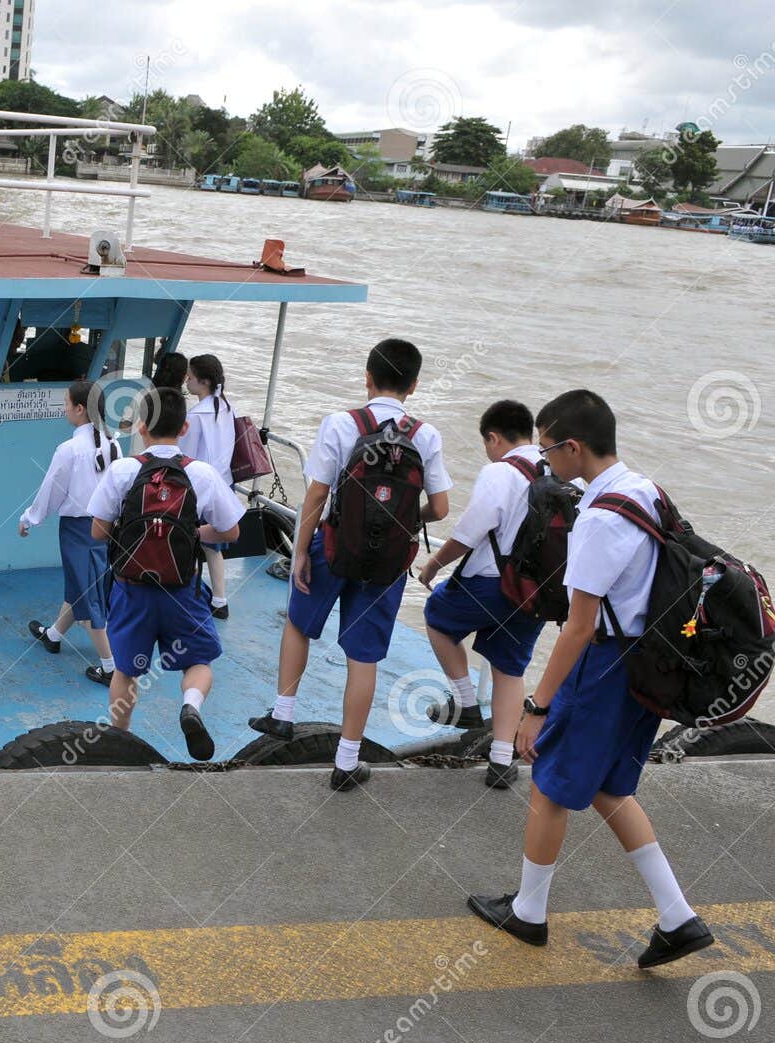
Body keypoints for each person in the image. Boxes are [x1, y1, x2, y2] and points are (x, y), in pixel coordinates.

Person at [468, 389, 714, 967]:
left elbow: (578, 628)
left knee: (550, 784)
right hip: (648, 662)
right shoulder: (644, 489)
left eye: (549, 449)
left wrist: (537, 706)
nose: (545, 461)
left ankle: (528, 913)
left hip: (602, 667)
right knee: (609, 788)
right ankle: (678, 917)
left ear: (573, 447)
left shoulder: (600, 520)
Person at [249, 338, 452, 791]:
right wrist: (400, 519)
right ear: (413, 385)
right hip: (388, 563)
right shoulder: (427, 435)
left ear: (366, 377)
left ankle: (283, 715)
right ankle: (346, 761)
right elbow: (439, 508)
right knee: (363, 657)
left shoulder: (342, 424)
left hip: (335, 545)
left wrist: (301, 550)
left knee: (299, 625)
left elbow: (318, 496)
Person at [87, 386, 242, 759]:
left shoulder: (124, 470)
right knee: (197, 663)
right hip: (182, 590)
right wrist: (194, 532)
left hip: (132, 590)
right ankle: (190, 706)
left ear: (141, 427)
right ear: (185, 427)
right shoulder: (201, 474)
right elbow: (232, 531)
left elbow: (97, 531)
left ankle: (117, 743)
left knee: (126, 671)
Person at [415, 400, 548, 789]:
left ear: (494, 437)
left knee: (437, 617)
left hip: (491, 583)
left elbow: (472, 529)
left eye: (486, 443)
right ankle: (502, 761)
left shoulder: (500, 471)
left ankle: (467, 703)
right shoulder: (560, 474)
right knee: (510, 668)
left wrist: (434, 564)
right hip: (538, 591)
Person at [20, 377, 121, 685]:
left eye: (66, 403)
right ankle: (53, 635)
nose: (63, 408)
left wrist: (29, 519)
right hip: (106, 526)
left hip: (77, 530)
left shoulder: (69, 449)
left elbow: (52, 490)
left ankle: (109, 666)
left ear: (79, 409)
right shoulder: (114, 443)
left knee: (88, 594)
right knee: (85, 583)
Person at [178, 353, 237, 619]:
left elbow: (185, 456)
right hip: (225, 483)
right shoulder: (225, 406)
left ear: (202, 382)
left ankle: (193, 595)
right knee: (213, 544)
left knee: (191, 540)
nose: (186, 381)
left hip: (201, 487)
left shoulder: (195, 414)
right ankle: (219, 598)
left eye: (190, 378)